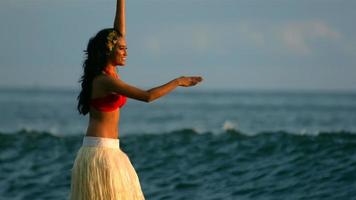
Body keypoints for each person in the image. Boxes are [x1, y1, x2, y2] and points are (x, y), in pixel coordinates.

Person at [70, 0, 203, 199]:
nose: (126, 52)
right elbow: (147, 96)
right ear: (109, 50)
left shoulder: (110, 73)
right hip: (99, 153)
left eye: (126, 48)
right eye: (121, 49)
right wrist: (178, 81)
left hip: (111, 151)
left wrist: (120, 2)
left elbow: (118, 31)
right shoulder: (104, 80)